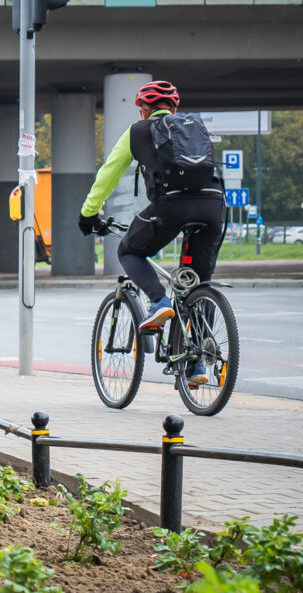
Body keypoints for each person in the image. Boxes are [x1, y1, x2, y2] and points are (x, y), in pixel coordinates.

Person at [78, 80, 225, 386]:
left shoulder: (137, 132)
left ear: (144, 110)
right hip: (213, 206)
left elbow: (109, 173)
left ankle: (159, 302)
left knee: (129, 250)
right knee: (197, 283)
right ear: (174, 108)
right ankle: (197, 366)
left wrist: (89, 213)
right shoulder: (195, 127)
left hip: (171, 207)